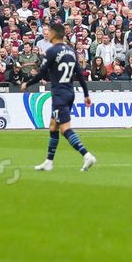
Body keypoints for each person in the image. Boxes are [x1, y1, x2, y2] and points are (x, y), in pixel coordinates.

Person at [21, 22, 96, 172]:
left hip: (59, 95)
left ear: (54, 34)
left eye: (49, 32)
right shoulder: (71, 51)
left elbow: (42, 73)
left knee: (64, 128)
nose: (47, 34)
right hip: (69, 92)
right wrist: (86, 94)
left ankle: (87, 155)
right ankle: (49, 162)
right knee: (53, 126)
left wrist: (27, 84)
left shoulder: (52, 51)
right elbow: (79, 74)